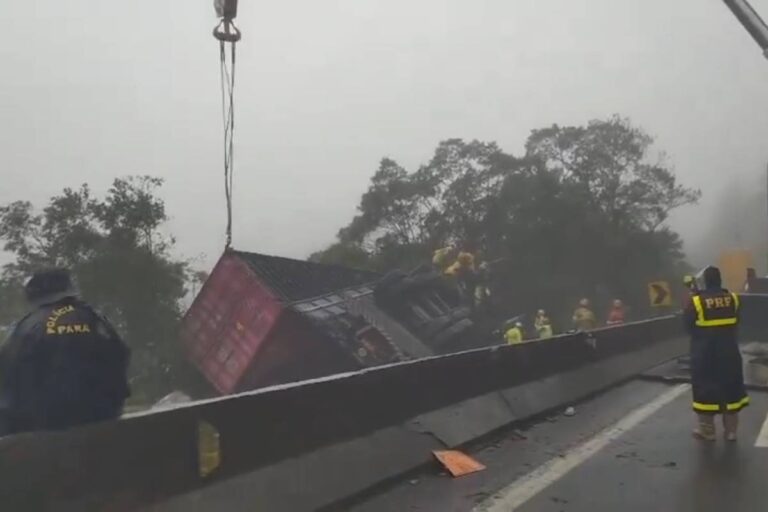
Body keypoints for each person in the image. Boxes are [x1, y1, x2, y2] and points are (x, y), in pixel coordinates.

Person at [0, 269, 130, 434]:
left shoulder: (26, 328)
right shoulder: (97, 320)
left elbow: (9, 377)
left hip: (43, 431)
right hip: (103, 420)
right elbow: (120, 360)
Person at [684, 266, 748, 441]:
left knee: (705, 393)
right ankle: (731, 432)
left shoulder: (696, 301)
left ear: (705, 280)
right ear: (720, 280)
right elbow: (737, 322)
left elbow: (688, 326)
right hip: (729, 353)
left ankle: (708, 431)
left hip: (705, 355)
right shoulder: (733, 298)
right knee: (731, 392)